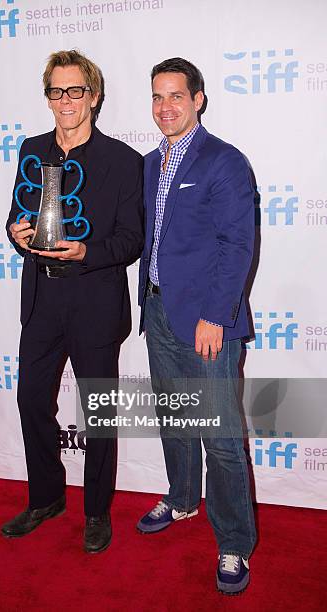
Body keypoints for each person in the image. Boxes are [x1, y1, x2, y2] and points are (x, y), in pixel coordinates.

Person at [1, 50, 143, 553]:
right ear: (48, 98)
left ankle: (97, 511)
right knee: (30, 401)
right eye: (56, 92)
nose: (66, 101)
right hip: (40, 298)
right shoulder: (31, 149)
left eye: (75, 90)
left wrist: (87, 251)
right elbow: (17, 212)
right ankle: (45, 497)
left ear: (94, 96)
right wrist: (16, 232)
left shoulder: (124, 161)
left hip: (95, 302)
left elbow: (132, 240)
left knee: (99, 412)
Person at [137, 57, 256, 594]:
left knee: (222, 438)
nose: (166, 107)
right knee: (175, 419)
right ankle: (183, 498)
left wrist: (216, 315)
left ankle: (234, 543)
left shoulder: (224, 162)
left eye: (177, 96)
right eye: (158, 97)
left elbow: (237, 246)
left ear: (199, 99)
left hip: (208, 320)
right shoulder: (148, 163)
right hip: (159, 312)